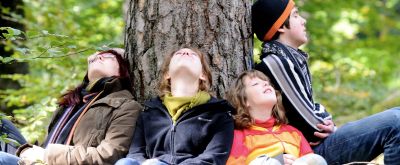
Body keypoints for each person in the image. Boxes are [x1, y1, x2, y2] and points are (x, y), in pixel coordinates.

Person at [252, 0, 400, 164]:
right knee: (396, 121)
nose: (303, 20)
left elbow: (311, 109)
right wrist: (326, 122)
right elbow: (311, 127)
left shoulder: (289, 58)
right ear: (280, 26)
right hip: (306, 152)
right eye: (295, 15)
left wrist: (327, 122)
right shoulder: (277, 63)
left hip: (313, 148)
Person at [0, 48, 142, 164]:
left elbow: (108, 155)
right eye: (95, 56)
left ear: (123, 70)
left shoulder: (126, 105)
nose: (97, 56)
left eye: (108, 56)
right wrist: (27, 151)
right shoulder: (72, 103)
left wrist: (47, 154)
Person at [115, 47, 235, 165]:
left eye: (193, 55)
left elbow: (212, 159)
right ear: (167, 74)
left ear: (203, 75)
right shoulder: (148, 114)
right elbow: (135, 154)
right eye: (179, 54)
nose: (186, 52)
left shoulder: (219, 115)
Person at [226, 70, 326, 165]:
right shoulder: (239, 136)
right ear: (244, 101)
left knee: (316, 159)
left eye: (267, 83)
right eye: (255, 84)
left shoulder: (293, 133)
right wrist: (277, 160)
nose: (265, 84)